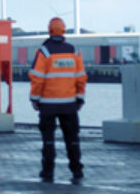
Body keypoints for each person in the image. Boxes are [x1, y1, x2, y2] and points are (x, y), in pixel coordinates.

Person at [29, 16, 86, 182]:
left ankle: (47, 172)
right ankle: (77, 171)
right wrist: (80, 98)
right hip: (69, 104)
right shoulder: (74, 51)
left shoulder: (44, 52)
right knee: (73, 140)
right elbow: (81, 78)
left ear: (49, 30)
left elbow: (37, 78)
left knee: (48, 140)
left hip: (48, 105)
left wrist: (34, 99)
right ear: (64, 30)